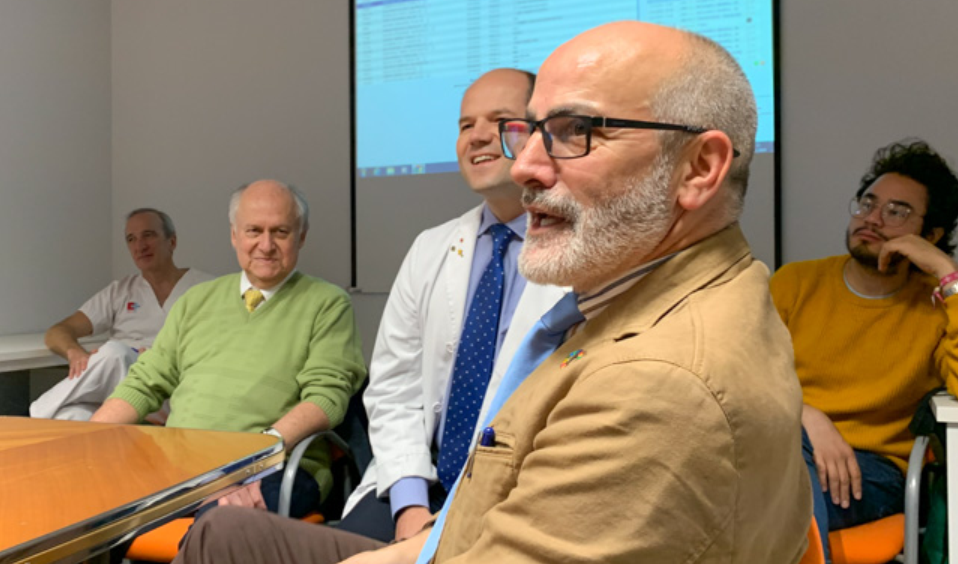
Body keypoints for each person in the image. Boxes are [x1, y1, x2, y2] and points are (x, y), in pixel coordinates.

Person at [172, 21, 811, 564]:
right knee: (224, 532)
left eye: (573, 130)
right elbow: (392, 388)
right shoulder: (660, 291)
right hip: (444, 520)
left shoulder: (658, 382)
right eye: (527, 132)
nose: (526, 163)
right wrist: (410, 507)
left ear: (699, 167)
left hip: (466, 534)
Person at [337, 68, 566, 543]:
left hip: (517, 498)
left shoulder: (580, 253)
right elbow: (393, 385)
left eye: (501, 120)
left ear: (542, 135)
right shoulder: (431, 248)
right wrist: (409, 504)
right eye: (466, 125)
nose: (478, 136)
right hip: (417, 483)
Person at [770, 139, 958, 561]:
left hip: (872, 471)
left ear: (931, 234)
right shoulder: (795, 283)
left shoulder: (939, 310)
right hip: (782, 441)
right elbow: (740, 373)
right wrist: (808, 416)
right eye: (868, 203)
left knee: (772, 490)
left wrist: (947, 273)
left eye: (897, 212)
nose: (873, 219)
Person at [90, 180, 367, 518]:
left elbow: (326, 397)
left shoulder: (327, 303)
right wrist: (88, 438)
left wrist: (254, 459)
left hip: (274, 464)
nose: (266, 245)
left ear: (301, 236)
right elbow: (145, 380)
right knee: (84, 505)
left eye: (280, 232)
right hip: (184, 464)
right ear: (235, 235)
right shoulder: (197, 300)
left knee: (216, 525)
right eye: (254, 231)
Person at [30, 208, 212, 421]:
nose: (140, 246)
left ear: (172, 242)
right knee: (70, 415)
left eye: (148, 235)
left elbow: (220, 349)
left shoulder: (207, 288)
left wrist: (159, 358)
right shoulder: (121, 291)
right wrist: (74, 352)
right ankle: (43, 422)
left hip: (166, 384)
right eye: (131, 239)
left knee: (114, 353)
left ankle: (33, 418)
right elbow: (57, 332)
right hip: (119, 390)